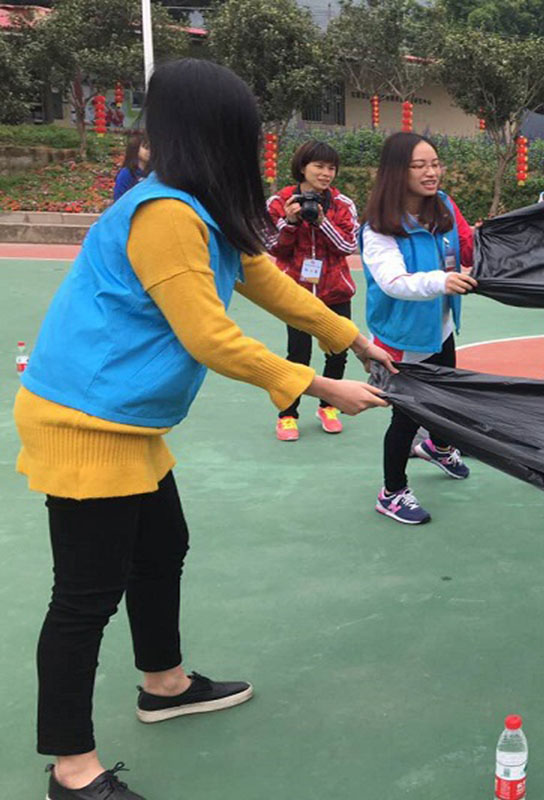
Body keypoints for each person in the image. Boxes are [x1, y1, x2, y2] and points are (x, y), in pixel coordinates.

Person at [14, 58, 395, 800]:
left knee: (162, 549)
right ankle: (71, 770)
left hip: (127, 421)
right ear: (216, 137)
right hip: (83, 419)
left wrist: (355, 339)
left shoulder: (204, 210)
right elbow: (210, 337)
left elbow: (271, 284)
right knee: (85, 597)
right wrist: (319, 386)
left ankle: (164, 684)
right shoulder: (163, 215)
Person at [361, 132, 478, 526]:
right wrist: (441, 281)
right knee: (406, 418)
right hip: (403, 340)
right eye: (419, 166)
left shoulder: (442, 205)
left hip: (440, 328)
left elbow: (466, 244)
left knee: (446, 396)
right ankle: (391, 492)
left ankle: (438, 447)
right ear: (398, 171)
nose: (431, 172)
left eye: (435, 164)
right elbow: (394, 281)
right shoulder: (379, 227)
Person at [267, 140, 360, 440]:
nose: (326, 173)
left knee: (338, 350)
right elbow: (273, 247)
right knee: (298, 354)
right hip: (295, 291)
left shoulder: (343, 204)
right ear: (302, 167)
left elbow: (348, 245)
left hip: (335, 290)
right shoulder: (279, 202)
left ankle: (328, 406)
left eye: (331, 168)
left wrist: (322, 222)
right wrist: (290, 222)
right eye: (319, 166)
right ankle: (287, 414)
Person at [112, 132, 149, 201]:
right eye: (146, 147)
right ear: (135, 149)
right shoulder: (127, 174)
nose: (150, 151)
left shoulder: (156, 174)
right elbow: (119, 199)